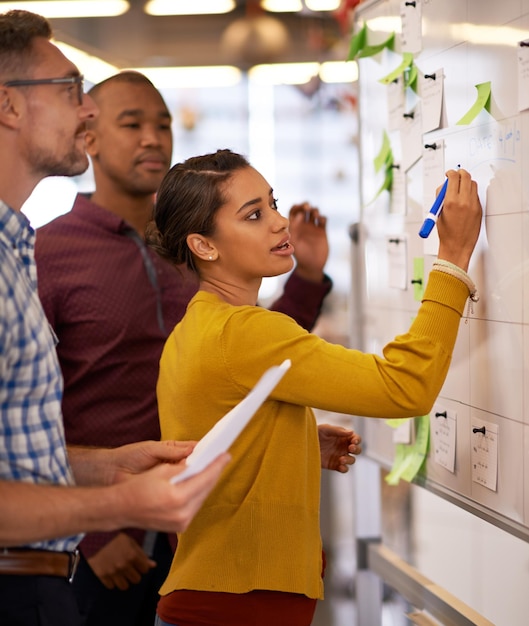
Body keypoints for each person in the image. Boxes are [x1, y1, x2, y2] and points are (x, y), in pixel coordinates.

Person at [34, 70, 359, 625]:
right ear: (88, 137)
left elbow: (263, 360)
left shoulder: (198, 245)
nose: (153, 138)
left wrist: (305, 277)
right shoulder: (50, 250)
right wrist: (94, 532)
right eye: (131, 123)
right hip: (110, 537)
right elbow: (30, 401)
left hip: (210, 524)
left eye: (162, 123)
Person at [148, 149, 482, 626]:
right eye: (254, 214)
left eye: (272, 203)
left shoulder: (198, 327)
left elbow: (212, 447)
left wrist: (293, 441)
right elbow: (404, 388)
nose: (280, 222)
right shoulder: (246, 331)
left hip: (216, 598)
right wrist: (451, 260)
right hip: (236, 607)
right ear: (204, 246)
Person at [0, 11, 231, 626]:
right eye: (70, 91)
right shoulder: (42, 250)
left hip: (93, 563)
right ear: (8, 106)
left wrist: (111, 466)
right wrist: (109, 514)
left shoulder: (14, 247)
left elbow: (22, 445)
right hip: (49, 572)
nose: (84, 113)